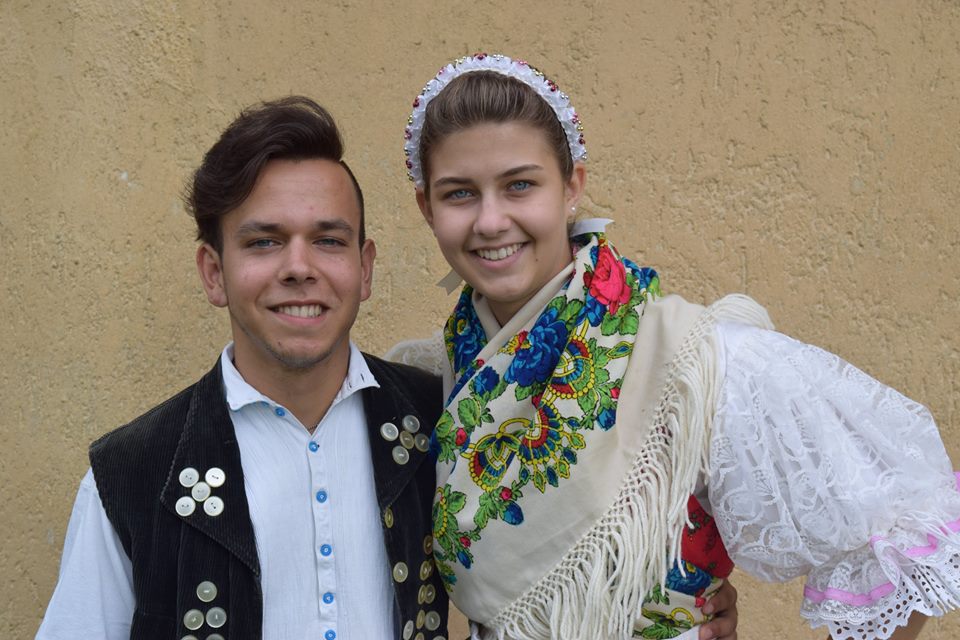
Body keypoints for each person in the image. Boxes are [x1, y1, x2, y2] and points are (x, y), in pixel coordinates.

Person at [389, 53, 960, 640]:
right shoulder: (444, 380)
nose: (490, 221)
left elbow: (907, 527)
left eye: (520, 185)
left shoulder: (695, 363)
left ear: (572, 187)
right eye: (460, 194)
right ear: (427, 208)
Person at [36, 96, 450, 640]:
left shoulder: (442, 422)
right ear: (214, 273)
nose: (299, 268)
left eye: (328, 240)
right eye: (264, 242)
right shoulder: (129, 475)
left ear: (364, 268)